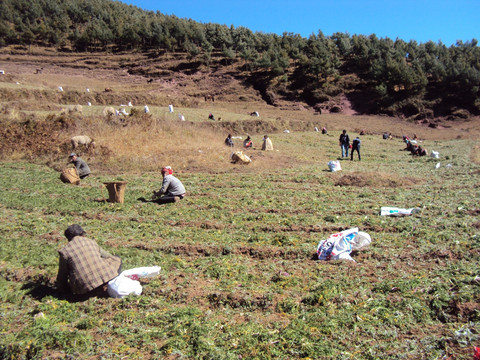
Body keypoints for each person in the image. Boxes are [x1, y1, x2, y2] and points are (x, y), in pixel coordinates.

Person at [56, 224, 122, 298]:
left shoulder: (64, 251)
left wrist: (65, 293)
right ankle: (114, 282)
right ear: (82, 233)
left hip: (84, 290)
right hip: (106, 280)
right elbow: (109, 256)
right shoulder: (91, 242)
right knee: (117, 258)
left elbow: (62, 277)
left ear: (68, 238)